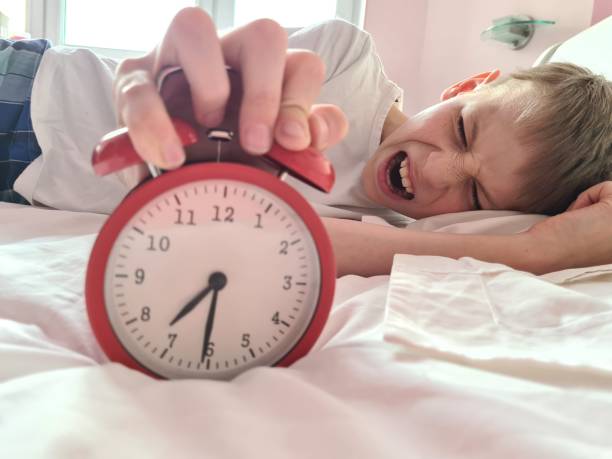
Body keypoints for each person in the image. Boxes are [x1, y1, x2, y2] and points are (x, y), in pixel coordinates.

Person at [4, 8, 612, 276]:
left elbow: (293, 239)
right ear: (468, 83)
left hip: (25, 188)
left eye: (475, 195)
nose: (438, 170)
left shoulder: (392, 235)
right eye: (462, 127)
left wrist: (540, 251)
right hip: (31, 93)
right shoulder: (345, 62)